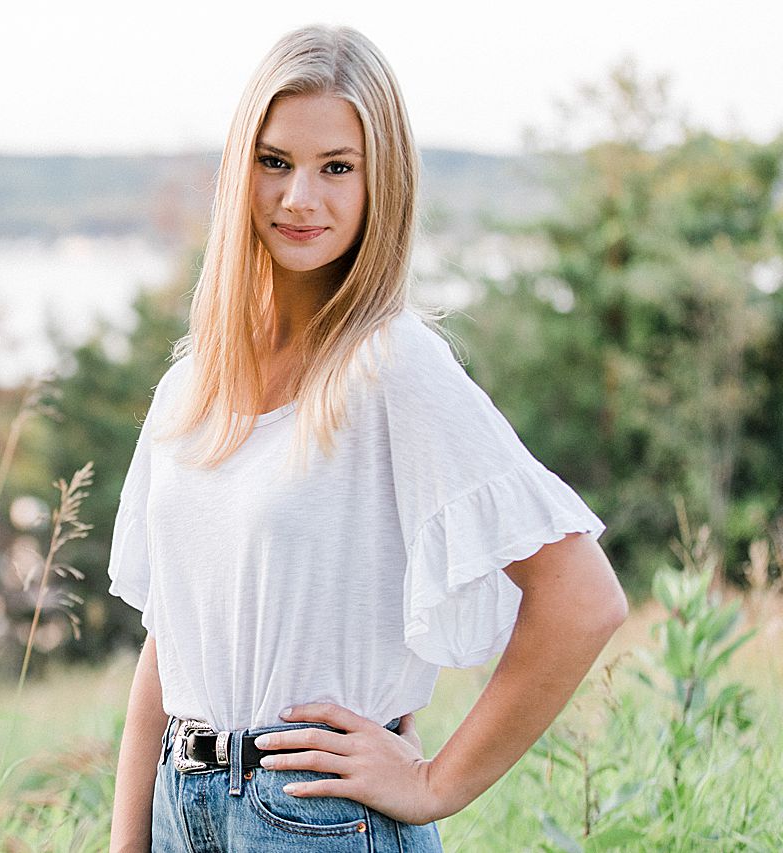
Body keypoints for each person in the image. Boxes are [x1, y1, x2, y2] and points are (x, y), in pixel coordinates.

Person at [106, 23, 628, 853]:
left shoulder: (391, 366)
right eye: (274, 161)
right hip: (180, 806)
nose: (298, 198)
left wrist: (432, 782)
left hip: (313, 821)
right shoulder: (191, 384)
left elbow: (583, 598)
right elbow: (173, 644)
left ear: (381, 182)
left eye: (336, 167)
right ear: (240, 169)